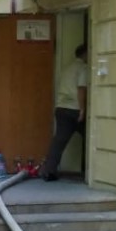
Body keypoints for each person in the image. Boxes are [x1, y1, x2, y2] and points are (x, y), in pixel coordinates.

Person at [40, 43, 89, 182]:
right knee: (93, 138)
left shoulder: (67, 68)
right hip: (74, 109)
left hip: (61, 108)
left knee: (59, 141)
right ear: (85, 54)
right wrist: (82, 110)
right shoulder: (83, 68)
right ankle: (98, 172)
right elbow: (81, 90)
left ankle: (48, 171)